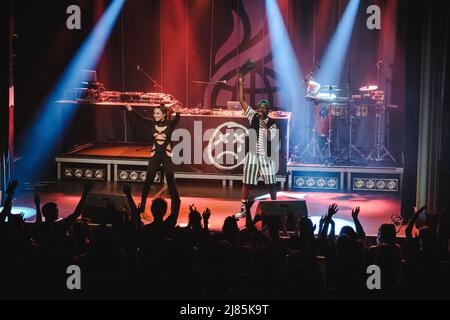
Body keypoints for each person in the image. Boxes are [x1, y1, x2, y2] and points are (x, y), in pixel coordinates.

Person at [236, 74, 279, 219]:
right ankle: (243, 209)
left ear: (268, 110)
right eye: (259, 107)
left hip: (266, 157)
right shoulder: (252, 116)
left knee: (271, 184)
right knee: (246, 183)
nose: (261, 109)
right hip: (253, 155)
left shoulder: (272, 123)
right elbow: (241, 100)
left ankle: (274, 210)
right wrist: (241, 83)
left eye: (264, 107)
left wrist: (263, 123)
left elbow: (270, 137)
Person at [125, 102, 181, 210]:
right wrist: (131, 110)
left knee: (170, 177)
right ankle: (143, 203)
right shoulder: (152, 123)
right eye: (154, 113)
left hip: (166, 154)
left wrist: (178, 112)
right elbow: (140, 118)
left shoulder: (170, 123)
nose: (155, 115)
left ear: (164, 114)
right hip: (155, 154)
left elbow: (176, 120)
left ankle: (176, 201)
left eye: (158, 113)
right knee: (149, 179)